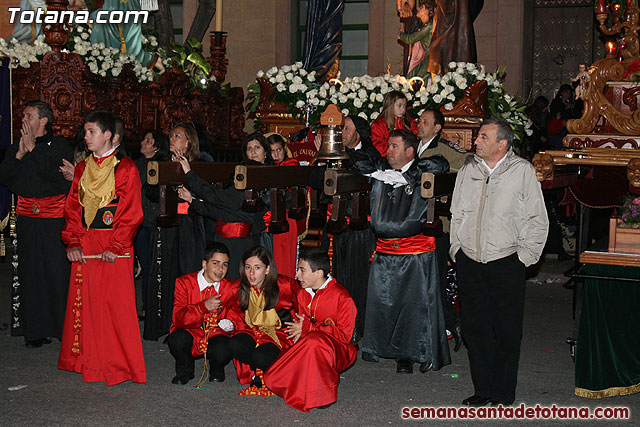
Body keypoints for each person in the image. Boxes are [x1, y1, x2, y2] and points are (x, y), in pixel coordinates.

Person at [450, 118, 549, 406]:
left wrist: (524, 259)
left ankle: (504, 392)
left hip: (507, 261)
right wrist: (457, 249)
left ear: (502, 144)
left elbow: (537, 220)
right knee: (474, 328)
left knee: (507, 329)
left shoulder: (523, 172)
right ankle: (484, 389)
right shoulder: (468, 171)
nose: (476, 141)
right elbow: (457, 213)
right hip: (470, 260)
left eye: (483, 137)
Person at [58, 110, 146, 385]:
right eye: (85, 132)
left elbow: (131, 212)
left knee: (115, 306)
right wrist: (72, 241)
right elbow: (72, 208)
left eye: (91, 132)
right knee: (86, 304)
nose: (86, 137)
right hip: (86, 243)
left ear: (109, 135)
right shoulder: (83, 168)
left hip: (113, 245)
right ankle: (89, 363)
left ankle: (119, 365)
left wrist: (118, 244)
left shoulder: (126, 167)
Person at [353, 128, 451, 374]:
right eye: (388, 146)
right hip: (385, 251)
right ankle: (396, 353)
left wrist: (411, 175)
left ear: (410, 151)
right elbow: (358, 160)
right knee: (387, 305)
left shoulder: (422, 173)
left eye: (394, 146)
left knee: (414, 306)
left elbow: (442, 163)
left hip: (414, 253)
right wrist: (381, 172)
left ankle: (415, 354)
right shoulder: (383, 173)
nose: (388, 151)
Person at [0, 100, 73, 348]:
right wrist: (19, 154)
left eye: (29, 116)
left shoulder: (60, 145)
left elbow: (56, 176)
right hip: (27, 220)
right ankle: (35, 331)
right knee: (30, 274)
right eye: (23, 115)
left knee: (56, 273)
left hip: (53, 221)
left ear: (44, 120)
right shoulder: (17, 146)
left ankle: (61, 328)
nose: (24, 120)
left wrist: (34, 150)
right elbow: (6, 178)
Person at [265, 248, 357, 412]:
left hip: (341, 350)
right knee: (273, 374)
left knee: (315, 341)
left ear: (318, 273)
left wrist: (311, 328)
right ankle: (300, 385)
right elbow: (300, 326)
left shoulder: (343, 298)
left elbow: (344, 336)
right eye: (298, 270)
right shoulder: (302, 294)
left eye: (302, 270)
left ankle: (324, 394)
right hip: (311, 343)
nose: (297, 276)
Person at [175, 133, 269, 281]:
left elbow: (220, 198)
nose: (252, 152)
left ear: (266, 152)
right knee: (223, 284)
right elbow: (222, 210)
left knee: (236, 284)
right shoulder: (242, 173)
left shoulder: (261, 175)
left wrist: (190, 174)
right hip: (226, 239)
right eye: (249, 148)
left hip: (242, 241)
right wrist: (192, 199)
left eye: (257, 147)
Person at [143, 123, 206, 340]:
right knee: (164, 274)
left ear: (189, 141)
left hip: (190, 225)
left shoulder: (200, 163)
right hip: (166, 226)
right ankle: (163, 323)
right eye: (171, 135)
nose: (172, 138)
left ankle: (188, 326)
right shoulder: (160, 163)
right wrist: (165, 184)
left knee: (188, 273)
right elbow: (149, 192)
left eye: (177, 136)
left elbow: (206, 191)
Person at [417, 109, 468, 351]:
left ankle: (451, 323)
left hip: (438, 226)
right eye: (419, 120)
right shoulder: (412, 146)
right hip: (414, 225)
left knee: (435, 279)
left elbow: (465, 171)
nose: (420, 125)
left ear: (437, 128)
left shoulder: (447, 150)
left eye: (425, 122)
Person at [166, 243, 243, 385]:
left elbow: (238, 313)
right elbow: (178, 319)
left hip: (215, 333)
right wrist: (202, 308)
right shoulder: (184, 283)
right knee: (177, 340)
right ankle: (185, 370)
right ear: (204, 264)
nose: (220, 269)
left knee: (223, 348)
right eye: (215, 263)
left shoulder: (230, 287)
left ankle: (217, 369)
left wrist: (231, 323)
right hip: (190, 331)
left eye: (225, 265)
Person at [331, 115, 379, 340]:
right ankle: (341, 323)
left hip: (360, 229)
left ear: (358, 133)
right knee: (339, 278)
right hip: (338, 226)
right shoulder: (332, 154)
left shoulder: (372, 156)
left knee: (358, 280)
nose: (342, 132)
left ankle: (360, 325)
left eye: (347, 128)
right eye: (340, 128)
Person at [227, 246, 298, 395]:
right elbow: (233, 313)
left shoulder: (284, 286)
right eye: (248, 267)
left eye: (257, 267)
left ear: (267, 269)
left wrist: (302, 325)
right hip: (252, 330)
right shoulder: (238, 288)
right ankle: (257, 371)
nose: (251, 273)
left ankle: (275, 373)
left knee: (261, 356)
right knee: (234, 344)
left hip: (279, 333)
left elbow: (303, 304)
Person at [134, 130, 169, 318]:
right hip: (139, 223)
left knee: (156, 267)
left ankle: (155, 306)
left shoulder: (163, 166)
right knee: (147, 266)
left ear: (156, 147)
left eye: (148, 141)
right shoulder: (135, 165)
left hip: (156, 222)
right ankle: (147, 305)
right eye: (144, 139)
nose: (143, 143)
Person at [370, 91, 418, 157]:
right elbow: (378, 147)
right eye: (400, 105)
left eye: (404, 106)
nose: (403, 109)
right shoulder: (378, 125)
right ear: (390, 105)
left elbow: (417, 138)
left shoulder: (409, 121)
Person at [398, 0, 434, 80]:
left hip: (429, 58)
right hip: (425, 57)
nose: (418, 9)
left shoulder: (429, 27)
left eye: (421, 7)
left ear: (427, 11)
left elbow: (411, 39)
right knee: (413, 76)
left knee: (419, 78)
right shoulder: (426, 26)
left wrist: (400, 34)